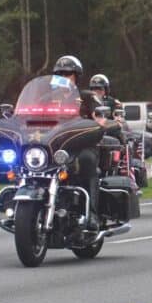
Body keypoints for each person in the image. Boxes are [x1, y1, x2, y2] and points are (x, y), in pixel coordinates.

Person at [51, 55, 115, 230]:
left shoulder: (86, 97)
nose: (64, 78)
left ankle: (92, 214)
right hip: (54, 146)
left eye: (68, 74)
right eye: (61, 74)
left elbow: (100, 119)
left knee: (87, 161)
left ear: (76, 76)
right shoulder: (48, 98)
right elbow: (31, 115)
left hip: (82, 144)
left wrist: (98, 124)